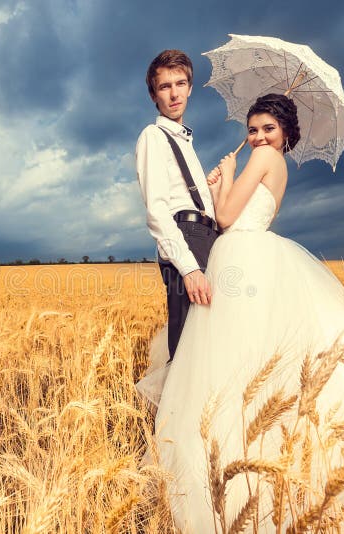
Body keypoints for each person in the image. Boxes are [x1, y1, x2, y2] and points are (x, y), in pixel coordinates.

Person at [137, 94, 344, 532]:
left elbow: (224, 217)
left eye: (267, 129)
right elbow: (234, 214)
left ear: (284, 134)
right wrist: (218, 181)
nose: (257, 136)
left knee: (232, 364)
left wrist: (228, 177)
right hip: (254, 252)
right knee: (257, 357)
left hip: (241, 256)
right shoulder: (276, 165)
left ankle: (225, 472)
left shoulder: (260, 159)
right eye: (253, 129)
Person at [135, 50, 219, 363]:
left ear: (190, 88)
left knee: (208, 344)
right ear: (153, 95)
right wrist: (189, 268)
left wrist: (214, 189)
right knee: (188, 350)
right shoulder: (153, 136)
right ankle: (178, 413)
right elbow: (157, 212)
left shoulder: (184, 141)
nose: (174, 93)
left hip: (204, 238)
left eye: (180, 83)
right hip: (185, 242)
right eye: (165, 86)